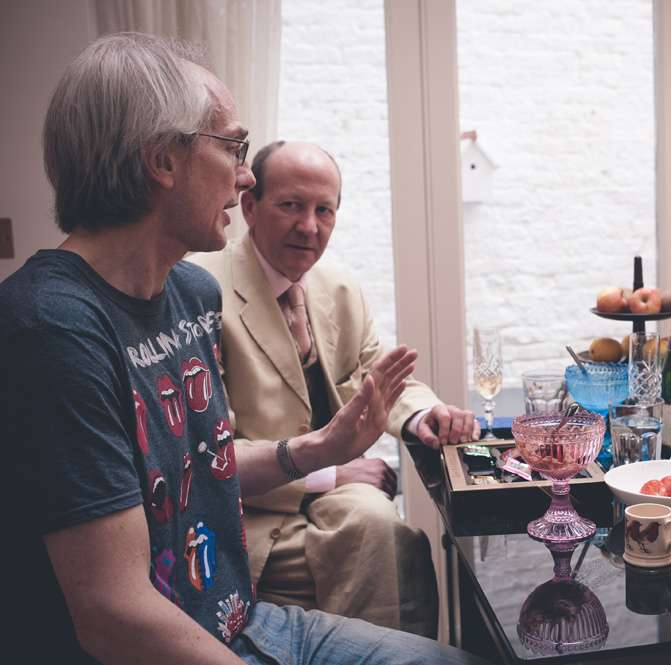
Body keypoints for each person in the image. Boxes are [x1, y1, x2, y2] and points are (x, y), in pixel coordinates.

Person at [0, 32, 485, 664]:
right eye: (233, 147)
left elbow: (207, 461)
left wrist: (320, 448)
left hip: (240, 619)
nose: (246, 174)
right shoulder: (50, 329)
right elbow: (113, 617)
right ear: (162, 160)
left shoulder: (189, 292)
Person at [190, 140, 479, 637]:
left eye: (324, 210)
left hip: (334, 502)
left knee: (384, 530)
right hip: (249, 513)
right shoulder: (200, 289)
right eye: (291, 205)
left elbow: (375, 375)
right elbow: (205, 457)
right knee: (387, 540)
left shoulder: (337, 285)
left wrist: (422, 415)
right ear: (250, 207)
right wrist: (331, 475)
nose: (309, 226)